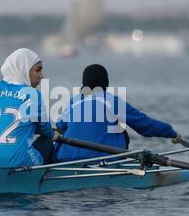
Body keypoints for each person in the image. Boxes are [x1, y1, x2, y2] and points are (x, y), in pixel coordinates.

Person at [54, 64, 182, 162]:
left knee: (64, 131)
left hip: (67, 159)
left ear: (83, 84)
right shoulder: (112, 101)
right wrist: (171, 132)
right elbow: (145, 126)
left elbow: (58, 129)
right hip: (103, 159)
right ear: (106, 83)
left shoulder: (73, 102)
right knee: (121, 130)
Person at [0, 48, 55, 167]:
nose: (42, 76)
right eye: (38, 70)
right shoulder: (32, 94)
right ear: (23, 69)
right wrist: (54, 134)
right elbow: (47, 131)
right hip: (18, 162)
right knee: (47, 141)